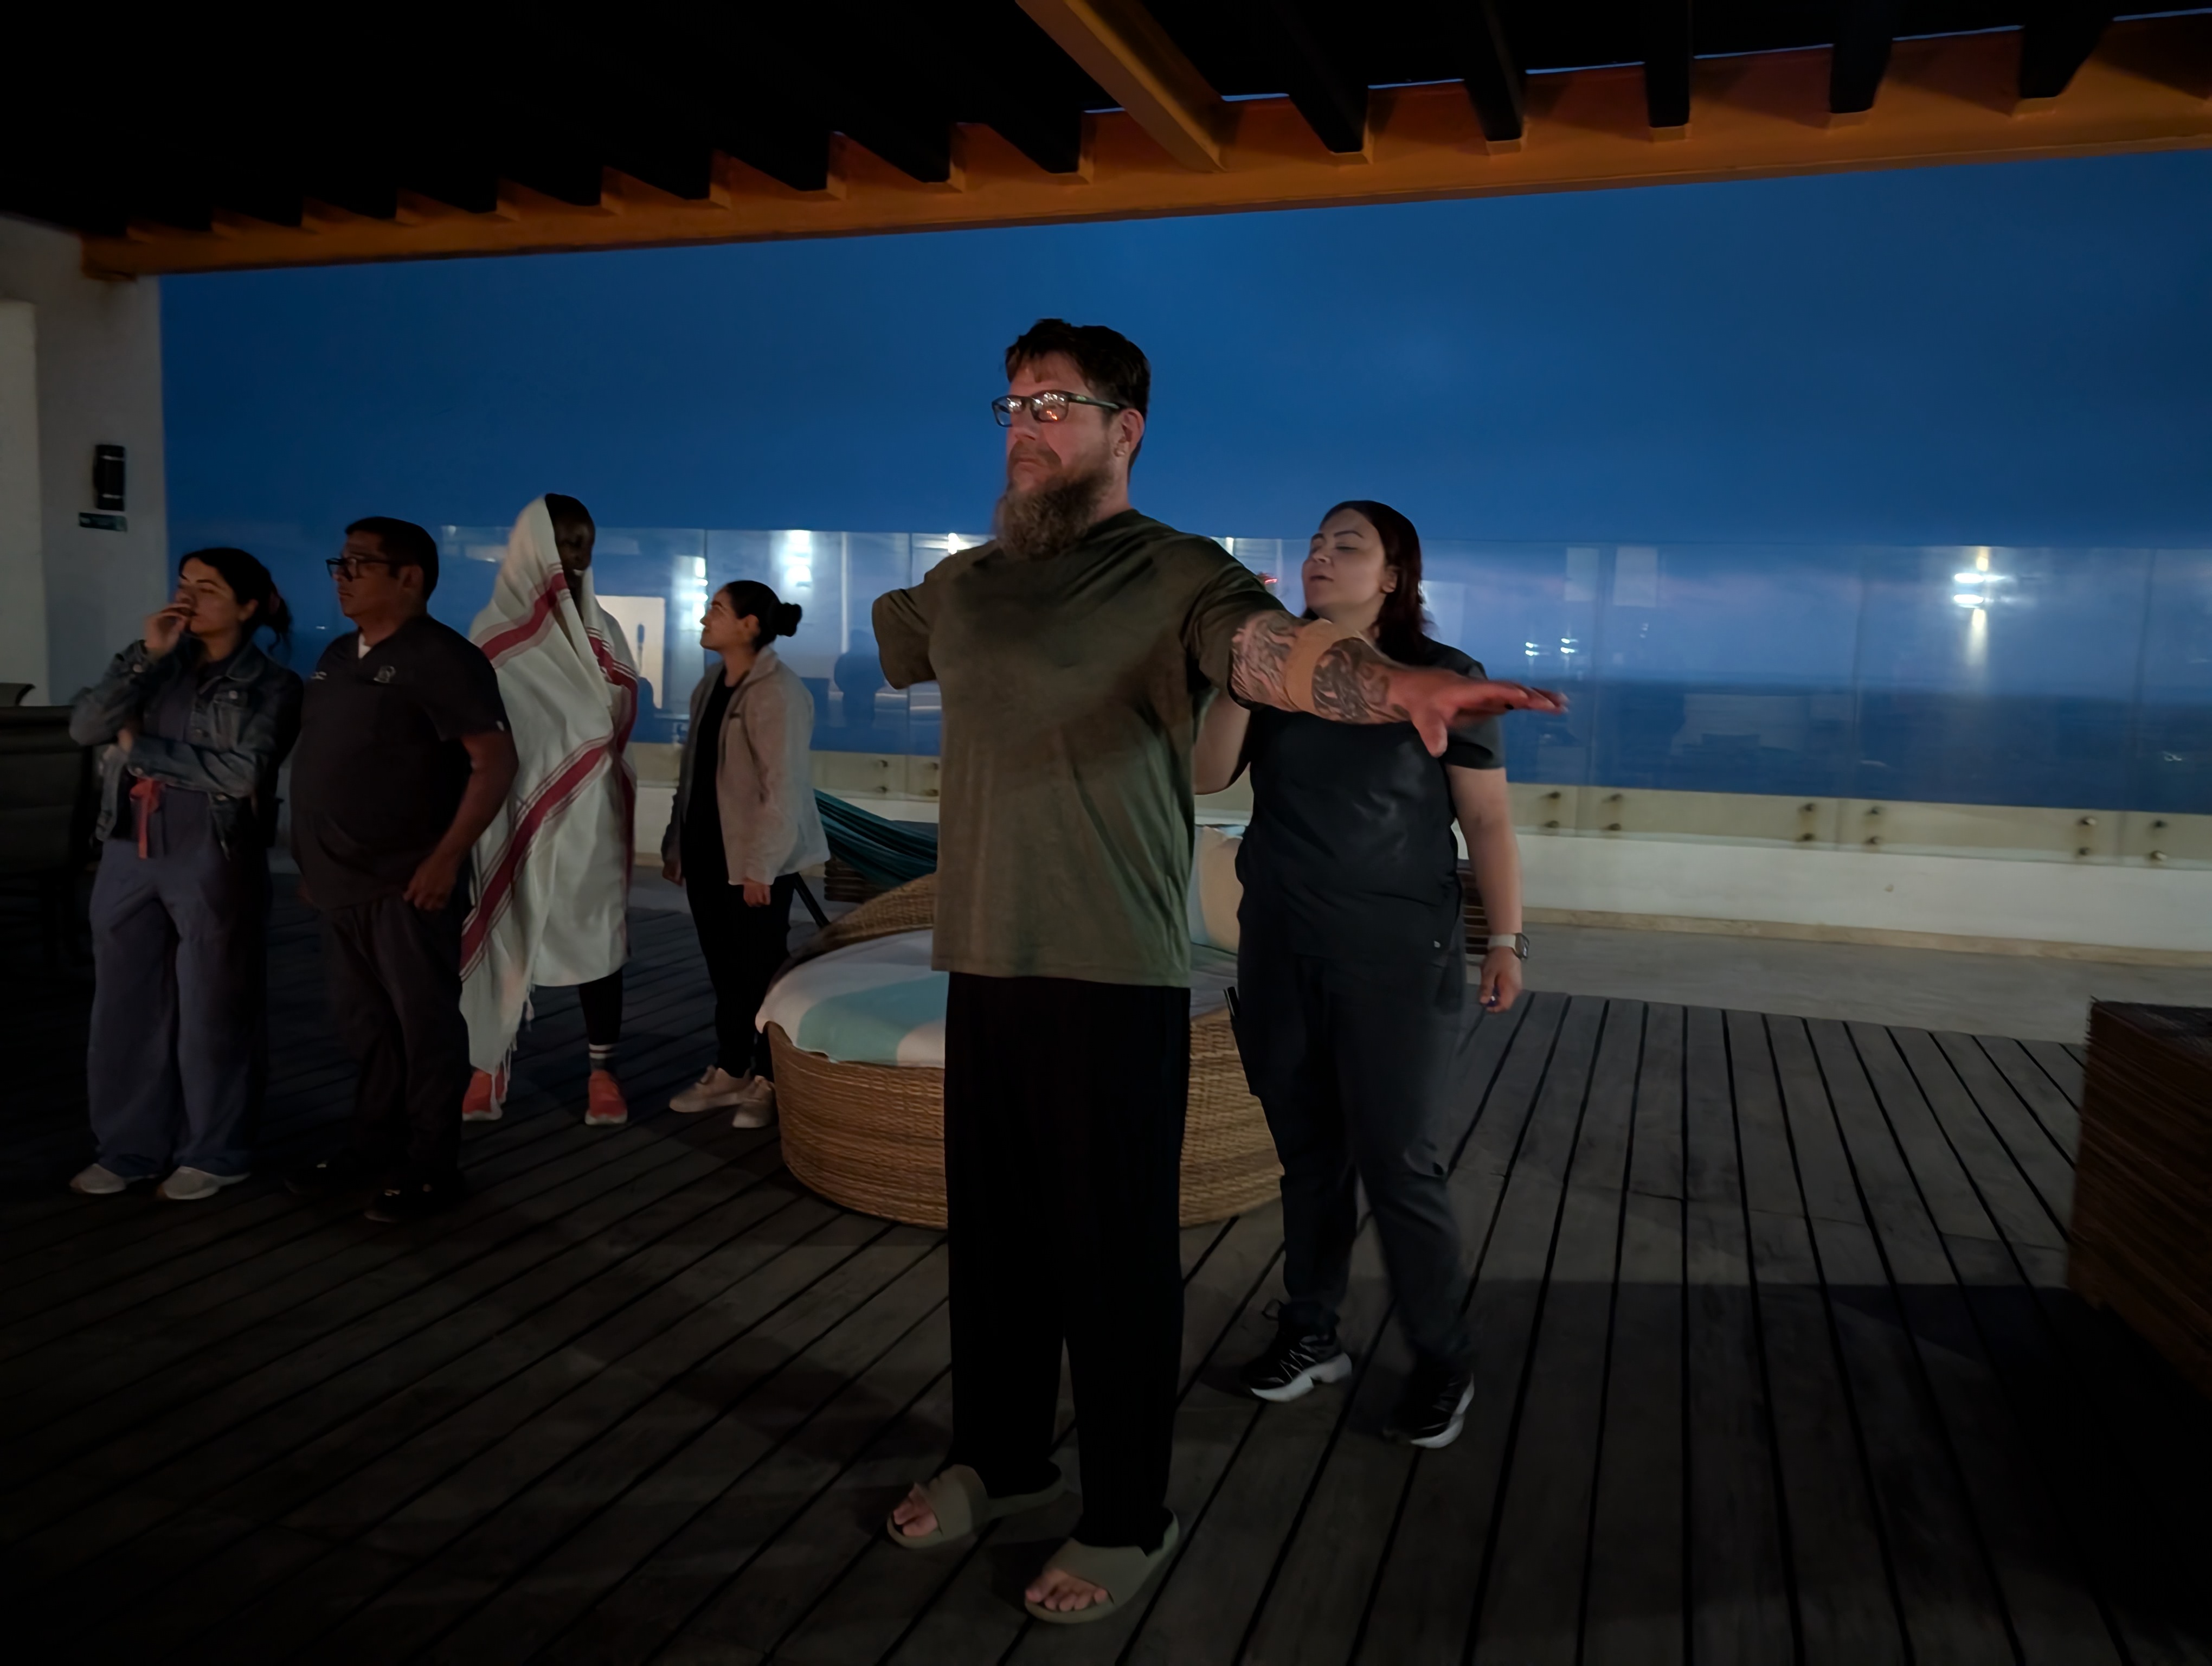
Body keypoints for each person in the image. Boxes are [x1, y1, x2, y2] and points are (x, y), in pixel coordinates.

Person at [873, 319, 1562, 1623]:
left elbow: (1271, 652)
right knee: (999, 1248)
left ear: (1124, 429)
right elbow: (899, 630)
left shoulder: (1174, 571)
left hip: (1111, 966)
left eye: (1058, 405)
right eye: (1013, 404)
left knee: (1112, 1260)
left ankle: (1128, 1510)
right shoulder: (964, 586)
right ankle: (1002, 1461)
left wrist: (1389, 682)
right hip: (984, 953)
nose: (1026, 425)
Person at [1193, 499, 1527, 1452]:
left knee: (1398, 1160)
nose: (1318, 559)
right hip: (1281, 944)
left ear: (1393, 576)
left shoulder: (1444, 678)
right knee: (1308, 1154)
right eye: (1312, 546)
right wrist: (1237, 677)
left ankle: (1442, 1358)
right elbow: (1207, 775)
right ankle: (1312, 1333)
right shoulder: (1278, 666)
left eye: (1347, 546)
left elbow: (1488, 823)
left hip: (1395, 953)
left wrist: (1505, 937)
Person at [286, 517, 518, 1223]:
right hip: (340, 883)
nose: (343, 575)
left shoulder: (442, 658)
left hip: (407, 883)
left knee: (423, 1027)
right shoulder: (333, 658)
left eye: (361, 563)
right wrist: (315, 862)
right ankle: (371, 1144)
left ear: (409, 576)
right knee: (365, 1024)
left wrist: (445, 859)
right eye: (341, 561)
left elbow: (494, 762)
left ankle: (430, 1165)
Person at [66, 549, 302, 1200]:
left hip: (214, 852)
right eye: (184, 584)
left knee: (214, 1005)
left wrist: (139, 751)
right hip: (128, 848)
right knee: (123, 1005)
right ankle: (128, 1148)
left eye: (210, 589)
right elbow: (86, 725)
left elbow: (241, 772)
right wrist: (146, 655)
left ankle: (216, 1150)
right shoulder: (149, 659)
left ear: (248, 607)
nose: (190, 598)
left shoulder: (271, 683)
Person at [459, 495, 639, 1127]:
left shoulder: (605, 632)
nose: (577, 555)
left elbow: (611, 720)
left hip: (591, 814)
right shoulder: (493, 635)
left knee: (597, 938)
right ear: (532, 545)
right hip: (511, 811)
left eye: (585, 541)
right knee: (507, 930)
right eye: (564, 540)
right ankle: (488, 1064)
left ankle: (601, 1071)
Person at [661, 579, 826, 1125]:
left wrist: (762, 866)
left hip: (755, 863)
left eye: (717, 610)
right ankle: (731, 1069)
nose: (705, 619)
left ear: (749, 626)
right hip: (711, 855)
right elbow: (693, 776)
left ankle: (770, 1078)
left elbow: (782, 787)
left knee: (760, 970)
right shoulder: (711, 685)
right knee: (725, 970)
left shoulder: (777, 691)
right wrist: (676, 842)